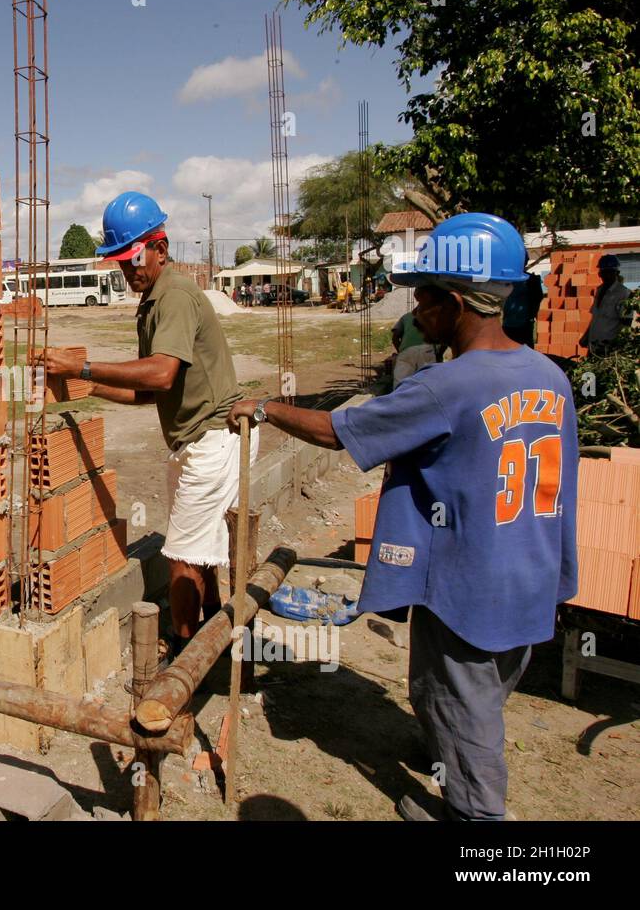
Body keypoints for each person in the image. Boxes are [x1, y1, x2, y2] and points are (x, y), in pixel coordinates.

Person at [227, 213, 577, 821]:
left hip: (469, 589)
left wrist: (265, 407)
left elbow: (341, 432)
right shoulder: (550, 377)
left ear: (460, 302)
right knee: (469, 696)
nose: (416, 309)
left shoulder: (447, 386)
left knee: (464, 713)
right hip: (532, 579)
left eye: (426, 296)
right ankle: (451, 772)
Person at [38, 192, 256, 661]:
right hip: (201, 441)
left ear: (160, 246)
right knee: (202, 550)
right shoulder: (154, 299)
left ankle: (183, 658)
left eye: (135, 257)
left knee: (180, 556)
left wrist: (85, 368)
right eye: (120, 262)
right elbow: (147, 391)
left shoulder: (174, 295)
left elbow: (159, 373)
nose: (129, 270)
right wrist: (89, 387)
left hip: (212, 441)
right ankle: (213, 630)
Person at [581, 254, 632, 355]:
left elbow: (626, 323)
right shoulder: (599, 291)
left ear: (616, 273)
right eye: (603, 273)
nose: (605, 276)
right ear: (600, 273)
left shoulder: (623, 294)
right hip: (593, 345)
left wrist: (619, 347)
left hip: (609, 348)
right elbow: (595, 318)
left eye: (609, 273)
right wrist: (586, 337)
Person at [391, 304, 444, 388]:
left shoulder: (406, 317)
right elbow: (443, 339)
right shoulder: (434, 317)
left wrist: (401, 351)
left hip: (406, 351)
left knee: (400, 384)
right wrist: (439, 354)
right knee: (428, 383)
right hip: (428, 350)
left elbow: (395, 337)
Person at [502, 270, 544, 346]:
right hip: (508, 323)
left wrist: (531, 315)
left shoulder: (530, 279)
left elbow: (538, 297)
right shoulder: (507, 278)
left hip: (523, 323)